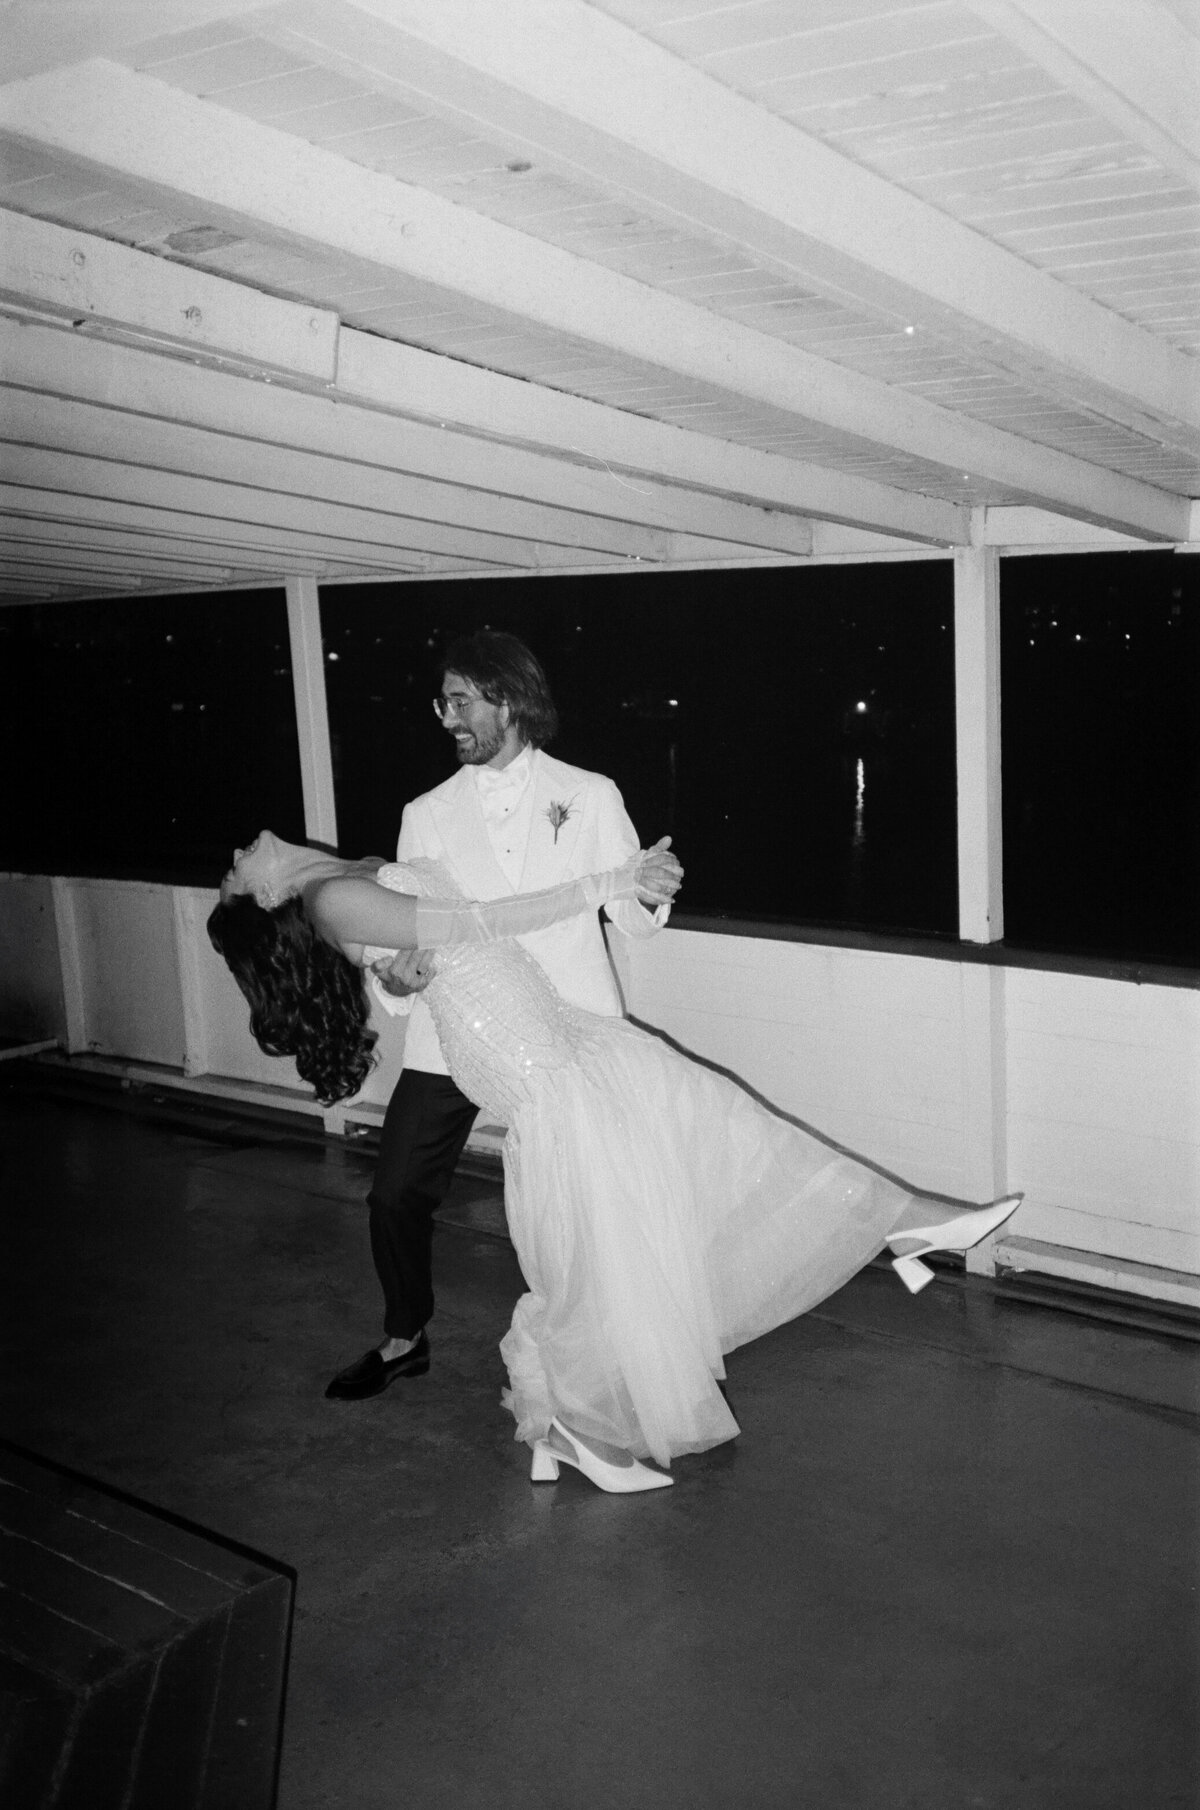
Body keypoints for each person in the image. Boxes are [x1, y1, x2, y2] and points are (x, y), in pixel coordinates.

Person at [209, 832, 1021, 1494]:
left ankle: (909, 1223)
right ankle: (571, 1427)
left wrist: (399, 971)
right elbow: (481, 923)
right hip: (526, 1055)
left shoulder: (341, 879)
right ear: (264, 895)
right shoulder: (327, 895)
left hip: (555, 1031)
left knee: (719, 1129)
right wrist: (609, 878)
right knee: (601, 1247)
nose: (238, 853)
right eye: (230, 874)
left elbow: (407, 951)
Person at [334, 631, 673, 1406]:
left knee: (579, 1203)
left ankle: (594, 1350)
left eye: (460, 702)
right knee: (393, 1192)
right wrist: (400, 976)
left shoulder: (590, 794)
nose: (447, 718)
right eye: (442, 702)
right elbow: (407, 923)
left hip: (564, 1028)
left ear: (509, 700)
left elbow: (630, 912)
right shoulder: (425, 812)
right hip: (462, 1027)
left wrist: (651, 886)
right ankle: (403, 1335)